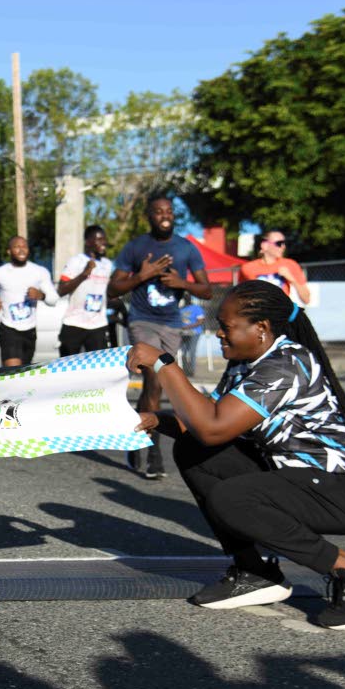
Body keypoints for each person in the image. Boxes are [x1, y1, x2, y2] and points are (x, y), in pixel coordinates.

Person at [129, 280, 345, 630]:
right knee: (195, 450)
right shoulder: (245, 363)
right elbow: (205, 423)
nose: (218, 334)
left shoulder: (285, 364)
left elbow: (214, 427)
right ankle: (257, 571)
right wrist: (153, 420)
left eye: (226, 327)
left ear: (261, 329)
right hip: (298, 478)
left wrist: (165, 365)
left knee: (232, 497)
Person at [109, 197, 213, 479]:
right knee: (154, 378)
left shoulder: (185, 248)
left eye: (168, 211)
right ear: (149, 216)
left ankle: (136, 434)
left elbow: (206, 290)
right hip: (142, 321)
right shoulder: (136, 247)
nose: (164, 215)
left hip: (171, 324)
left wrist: (182, 283)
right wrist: (143, 275)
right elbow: (113, 289)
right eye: (158, 211)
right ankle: (153, 451)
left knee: (157, 387)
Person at [0, 235, 58, 367]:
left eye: (24, 247)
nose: (21, 250)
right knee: (13, 371)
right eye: (17, 247)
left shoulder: (39, 272)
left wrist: (41, 295)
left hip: (30, 329)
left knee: (25, 372)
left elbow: (54, 299)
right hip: (9, 328)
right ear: (9, 251)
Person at [57, 226, 114, 359]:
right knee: (68, 368)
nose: (103, 243)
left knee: (98, 370)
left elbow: (110, 292)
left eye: (104, 239)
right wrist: (84, 274)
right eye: (99, 239)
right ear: (88, 242)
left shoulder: (107, 264)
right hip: (74, 324)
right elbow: (61, 290)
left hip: (98, 325)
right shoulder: (76, 261)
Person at [239, 230, 311, 305]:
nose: (283, 247)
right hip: (258, 314)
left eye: (284, 243)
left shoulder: (290, 265)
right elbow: (239, 296)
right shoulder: (247, 268)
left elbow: (306, 299)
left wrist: (291, 279)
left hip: (281, 313)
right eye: (279, 243)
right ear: (264, 245)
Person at [179, 298, 206, 377]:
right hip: (183, 333)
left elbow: (200, 321)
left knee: (192, 351)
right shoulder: (181, 308)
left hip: (194, 333)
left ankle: (191, 371)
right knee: (183, 352)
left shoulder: (197, 308)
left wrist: (188, 327)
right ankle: (185, 369)